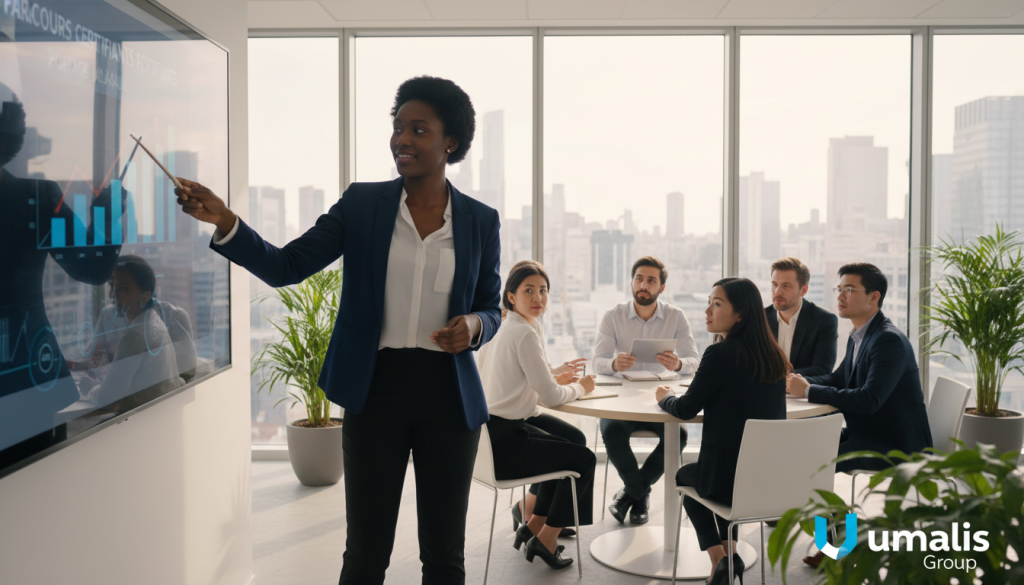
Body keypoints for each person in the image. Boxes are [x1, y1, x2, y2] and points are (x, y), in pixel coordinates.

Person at [176, 76, 502, 585]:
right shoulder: (364, 205)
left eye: (418, 129)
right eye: (397, 128)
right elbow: (288, 265)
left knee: (445, 554)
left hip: (449, 397)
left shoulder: (481, 221)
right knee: (366, 553)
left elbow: (491, 305)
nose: (402, 140)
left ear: (450, 142)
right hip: (375, 389)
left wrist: (477, 326)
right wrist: (226, 221)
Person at [785, 263, 932, 568]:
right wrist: (798, 383)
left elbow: (869, 399)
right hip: (870, 432)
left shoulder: (887, 340)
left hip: (893, 443)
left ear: (874, 296)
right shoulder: (859, 334)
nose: (841, 295)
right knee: (802, 451)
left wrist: (809, 392)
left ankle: (842, 542)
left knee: (812, 464)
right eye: (839, 289)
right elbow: (840, 378)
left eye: (850, 290)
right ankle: (838, 538)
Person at [655, 277, 788, 585]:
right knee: (715, 476)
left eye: (716, 304)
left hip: (728, 483)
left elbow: (686, 409)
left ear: (740, 314)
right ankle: (731, 557)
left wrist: (665, 398)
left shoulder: (720, 354)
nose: (707, 311)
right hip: (767, 480)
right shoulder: (774, 355)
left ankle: (722, 561)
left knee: (686, 479)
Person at [478, 261, 597, 571]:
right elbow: (551, 397)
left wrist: (552, 372)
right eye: (528, 290)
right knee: (583, 460)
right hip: (505, 440)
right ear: (511, 296)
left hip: (495, 428)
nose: (538, 298)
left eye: (543, 291)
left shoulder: (513, 325)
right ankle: (545, 538)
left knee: (575, 439)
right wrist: (582, 388)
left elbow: (520, 374)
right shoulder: (523, 333)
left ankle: (533, 520)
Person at [591, 256, 697, 524]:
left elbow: (694, 361)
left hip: (661, 397)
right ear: (631, 281)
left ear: (661, 288)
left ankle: (630, 494)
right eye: (639, 278)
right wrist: (614, 363)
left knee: (680, 437)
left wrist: (679, 363)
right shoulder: (613, 316)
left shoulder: (676, 316)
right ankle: (640, 495)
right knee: (611, 431)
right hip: (623, 396)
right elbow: (597, 361)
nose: (643, 285)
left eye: (651, 280)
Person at [79, 256, 182, 411]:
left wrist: (90, 389)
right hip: (162, 415)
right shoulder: (153, 321)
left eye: (122, 288)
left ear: (145, 295)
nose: (111, 295)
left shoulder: (135, 336)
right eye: (111, 286)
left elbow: (106, 399)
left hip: (145, 423)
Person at [765, 257, 838, 377]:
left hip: (801, 394)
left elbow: (823, 369)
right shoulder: (760, 318)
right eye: (774, 285)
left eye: (786, 286)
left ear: (803, 290)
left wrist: (787, 375)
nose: (777, 291)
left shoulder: (824, 320)